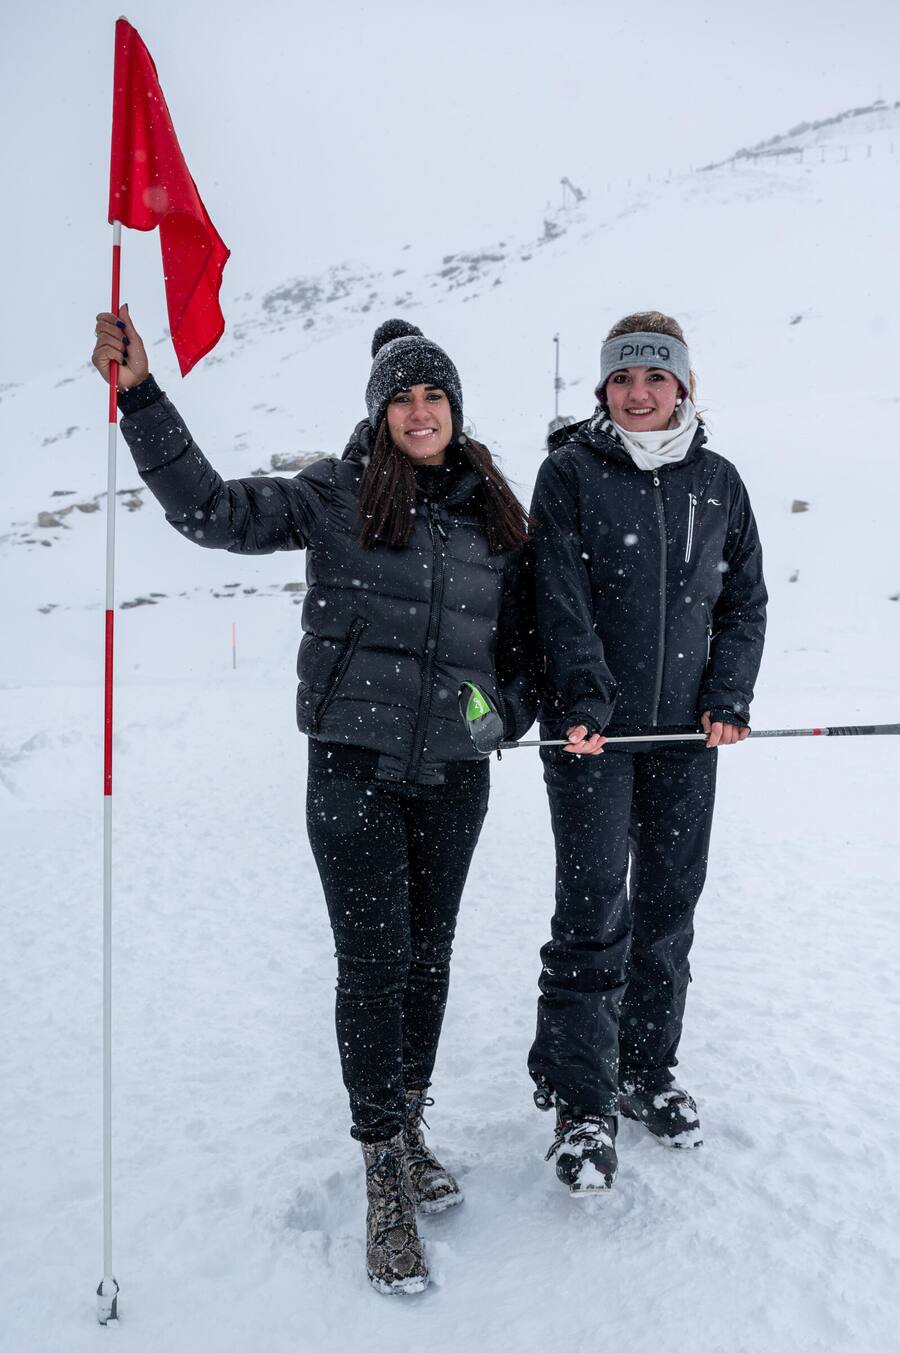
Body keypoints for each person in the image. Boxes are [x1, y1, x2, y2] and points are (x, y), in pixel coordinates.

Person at [92, 310, 537, 1292]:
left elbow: (525, 649)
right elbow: (210, 510)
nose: (420, 413)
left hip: (454, 776)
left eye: (434, 396)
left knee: (428, 959)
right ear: (379, 416)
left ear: (455, 410)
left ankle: (411, 1122)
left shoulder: (494, 517)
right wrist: (141, 397)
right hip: (354, 769)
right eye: (402, 399)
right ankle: (382, 1165)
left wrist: (507, 714)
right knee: (375, 963)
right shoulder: (337, 496)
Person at [527, 311, 767, 1195]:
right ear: (604, 390)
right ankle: (582, 1102)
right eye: (623, 380)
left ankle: (644, 1069)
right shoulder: (570, 476)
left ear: (682, 388)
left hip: (685, 739)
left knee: (668, 909)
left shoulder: (719, 483)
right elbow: (559, 598)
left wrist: (727, 697)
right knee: (593, 911)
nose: (638, 394)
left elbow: (744, 602)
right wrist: (586, 701)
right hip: (592, 737)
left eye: (654, 379)